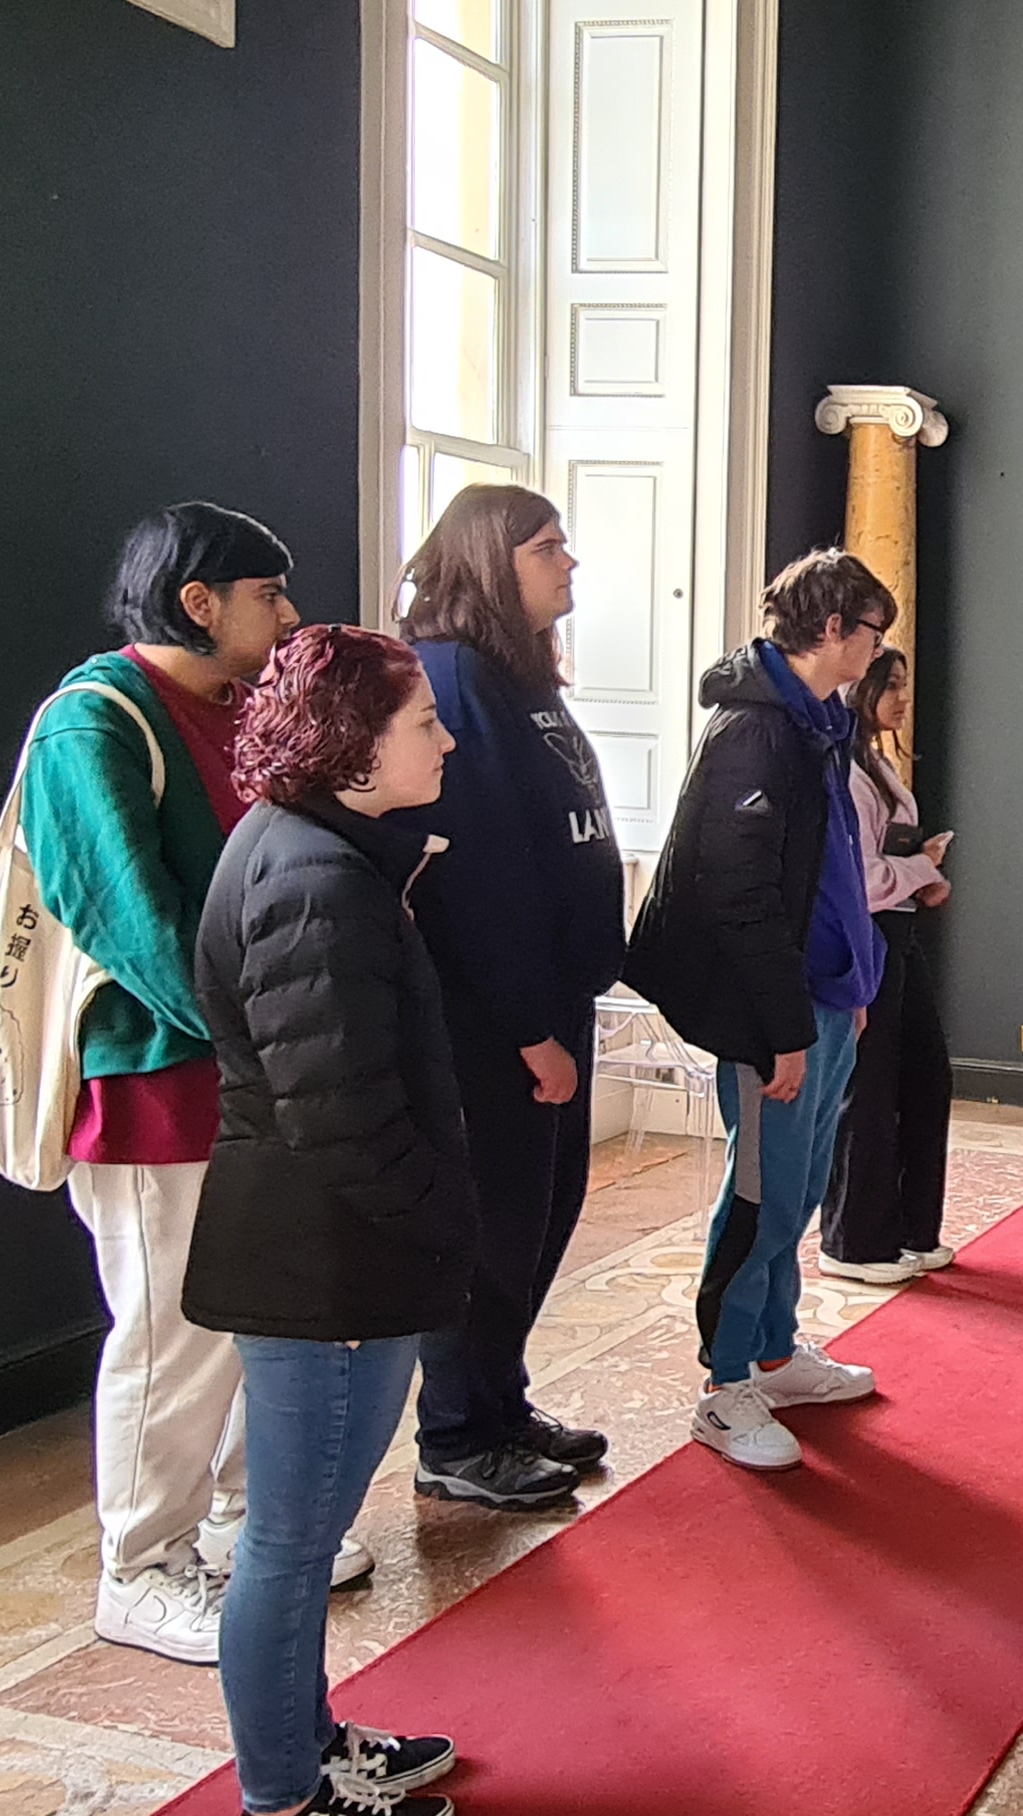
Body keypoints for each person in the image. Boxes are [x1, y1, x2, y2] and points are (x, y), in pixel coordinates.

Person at [23, 502, 361, 1665]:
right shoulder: (94, 719)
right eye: (269, 594)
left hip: (245, 1073)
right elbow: (126, 916)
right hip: (154, 1078)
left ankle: (229, 1520)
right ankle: (140, 1559)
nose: (289, 614)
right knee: (171, 1333)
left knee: (240, 1317)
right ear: (197, 600)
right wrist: (249, 1037)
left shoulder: (230, 709)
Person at [187, 625, 473, 1816]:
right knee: (291, 1547)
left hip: (332, 1249)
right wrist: (439, 1227)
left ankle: (307, 1750)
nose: (447, 737)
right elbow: (339, 1110)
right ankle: (281, 1794)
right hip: (324, 1260)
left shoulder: (320, 849)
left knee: (302, 1542)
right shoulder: (313, 874)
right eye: (422, 722)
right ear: (351, 745)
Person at [624, 549, 894, 1471]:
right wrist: (780, 1029)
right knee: (762, 1194)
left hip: (824, 1000)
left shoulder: (816, 721)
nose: (875, 650)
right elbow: (737, 894)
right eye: (870, 632)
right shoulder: (757, 732)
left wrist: (854, 987)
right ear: (831, 630)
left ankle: (775, 1353)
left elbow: (830, 881)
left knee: (800, 1191)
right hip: (771, 1013)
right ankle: (725, 1378)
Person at [385, 484, 624, 1511]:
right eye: (547, 547)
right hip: (493, 1017)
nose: (568, 563)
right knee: (493, 1220)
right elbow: (476, 871)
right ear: (491, 558)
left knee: (542, 1211)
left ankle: (501, 1399)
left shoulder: (519, 674)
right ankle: (457, 1432)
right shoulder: (451, 676)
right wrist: (530, 1024)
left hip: (555, 995)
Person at [819, 646, 957, 1284]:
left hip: (899, 936)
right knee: (867, 1091)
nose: (904, 698)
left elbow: (885, 870)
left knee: (925, 1078)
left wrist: (921, 876)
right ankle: (853, 1241)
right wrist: (922, 867)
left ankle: (910, 1229)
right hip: (866, 937)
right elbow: (860, 879)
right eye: (891, 686)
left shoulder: (877, 761)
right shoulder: (846, 771)